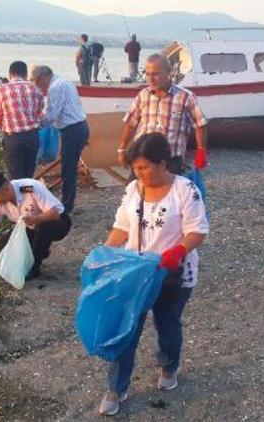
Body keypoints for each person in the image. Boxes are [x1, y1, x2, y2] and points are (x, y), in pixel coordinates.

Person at [97, 133, 209, 416]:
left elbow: (197, 230)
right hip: (135, 275)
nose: (139, 173)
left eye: (145, 167)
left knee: (167, 325)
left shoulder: (185, 190)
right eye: (136, 168)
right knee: (127, 331)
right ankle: (117, 387)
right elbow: (121, 227)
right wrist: (104, 253)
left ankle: (170, 364)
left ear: (162, 163)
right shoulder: (134, 189)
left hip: (172, 274)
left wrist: (177, 252)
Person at [0, 173, 71, 281]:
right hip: (31, 227)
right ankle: (40, 251)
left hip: (58, 222)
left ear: (6, 189)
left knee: (43, 228)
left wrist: (35, 219)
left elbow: (55, 213)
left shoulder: (29, 188)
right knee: (4, 243)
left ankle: (34, 268)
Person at [118, 54, 209, 174]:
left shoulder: (185, 97)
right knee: (133, 190)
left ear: (168, 72)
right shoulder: (143, 95)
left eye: (155, 74)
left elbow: (200, 124)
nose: (151, 78)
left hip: (171, 159)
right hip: (143, 156)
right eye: (148, 74)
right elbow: (131, 123)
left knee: (167, 191)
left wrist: (201, 151)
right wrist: (122, 149)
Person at [31, 65, 90, 213]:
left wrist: (35, 122)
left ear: (43, 78)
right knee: (69, 166)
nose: (40, 87)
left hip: (73, 130)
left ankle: (67, 206)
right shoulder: (65, 82)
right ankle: (67, 202)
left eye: (38, 83)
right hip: (79, 127)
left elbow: (52, 115)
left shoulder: (56, 87)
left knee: (68, 169)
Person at [0, 61, 45, 180]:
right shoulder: (35, 89)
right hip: (32, 137)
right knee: (28, 176)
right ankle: (28, 196)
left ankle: (20, 197)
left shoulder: (2, 90)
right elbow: (39, 113)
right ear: (25, 74)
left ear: (10, 73)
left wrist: (5, 127)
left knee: (16, 177)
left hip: (13, 138)